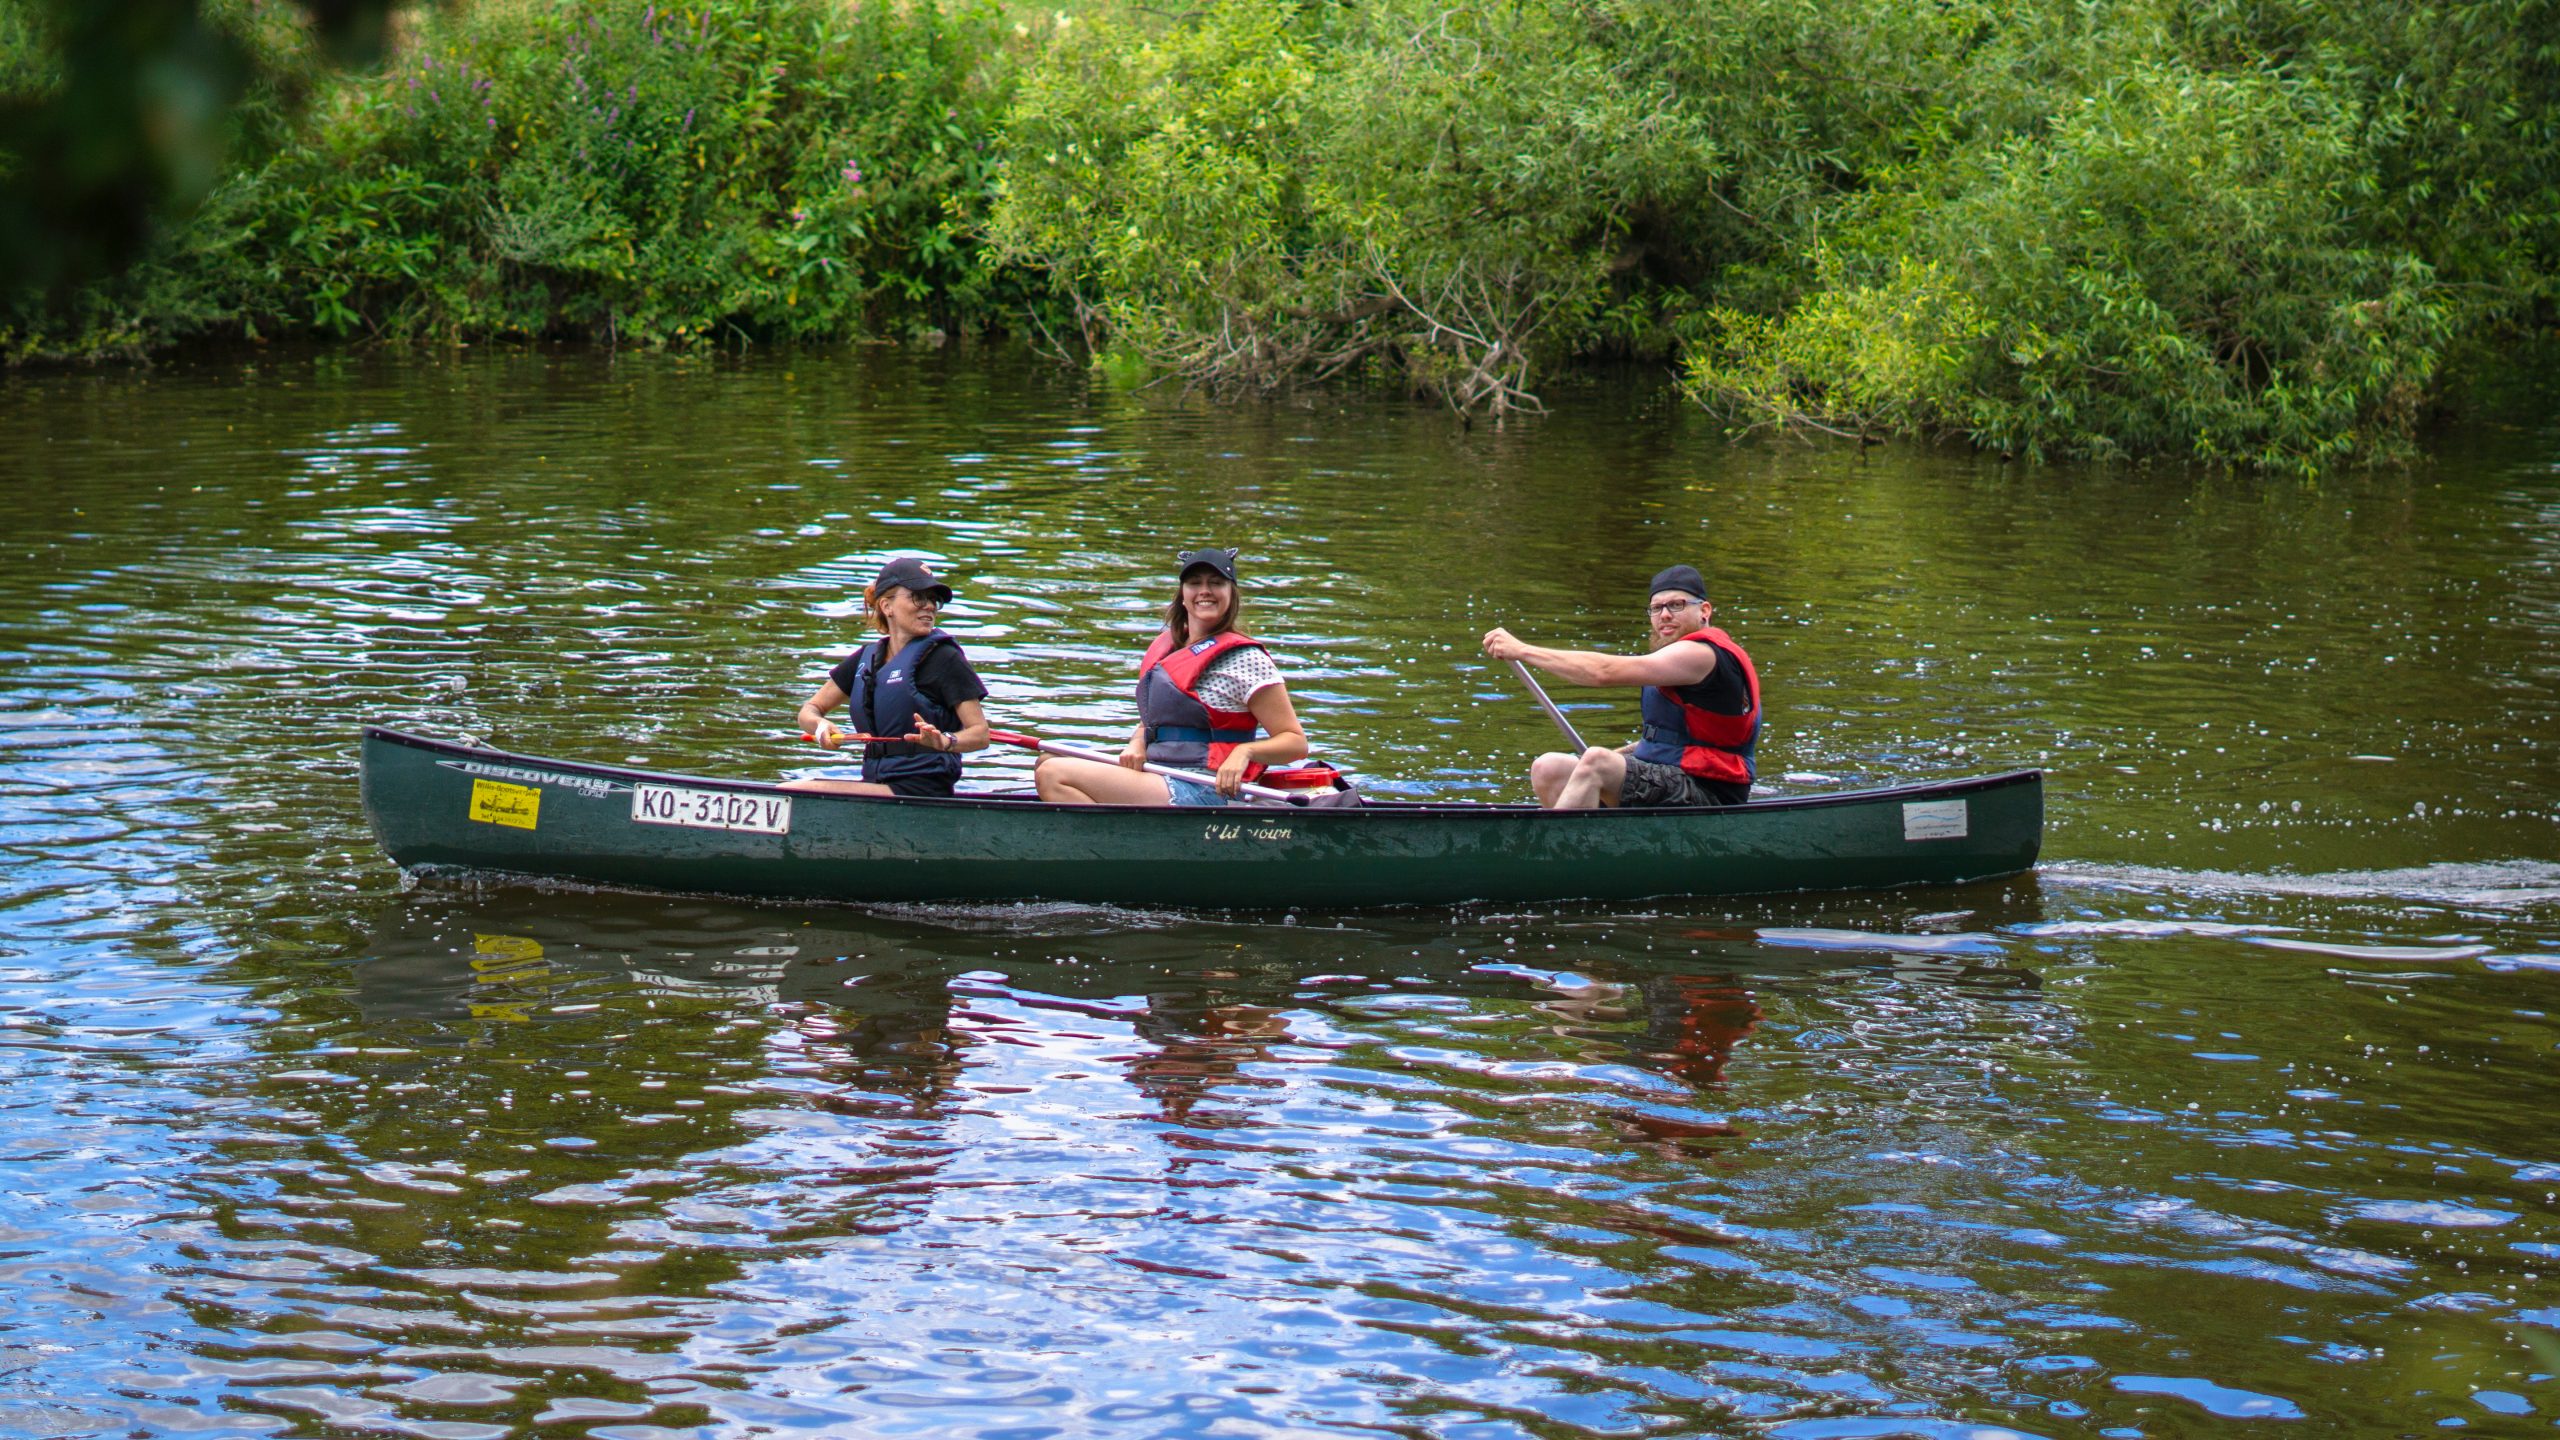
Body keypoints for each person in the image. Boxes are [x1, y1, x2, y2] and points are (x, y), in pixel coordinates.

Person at [1035, 548, 1308, 806]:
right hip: (1160, 772)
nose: (1205, 591)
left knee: (1053, 773)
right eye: (1194, 583)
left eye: (1216, 583)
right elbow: (1158, 720)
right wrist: (1137, 741)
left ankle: (1113, 848)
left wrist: (1245, 752)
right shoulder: (1170, 649)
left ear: (1231, 593)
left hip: (1206, 787)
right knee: (1046, 760)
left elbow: (1295, 742)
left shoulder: (1247, 659)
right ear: (1182, 594)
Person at [1481, 564, 1760, 809]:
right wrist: (1616, 756)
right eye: (1656, 608)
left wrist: (1522, 650)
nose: (1664, 615)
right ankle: (1593, 848)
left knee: (1597, 764)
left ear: (1704, 611)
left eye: (1677, 605)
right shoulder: (1672, 660)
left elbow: (1602, 672)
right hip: (1669, 779)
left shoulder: (1700, 655)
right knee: (1550, 767)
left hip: (1709, 795)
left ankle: (1556, 856)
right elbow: (1671, 739)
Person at [784, 557, 989, 797]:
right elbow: (810, 709)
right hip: (877, 785)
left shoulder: (945, 659)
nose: (930, 606)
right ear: (886, 606)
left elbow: (980, 734)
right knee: (792, 790)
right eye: (918, 597)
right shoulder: (865, 659)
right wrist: (819, 726)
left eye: (934, 600)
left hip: (923, 792)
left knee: (794, 791)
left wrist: (944, 741)